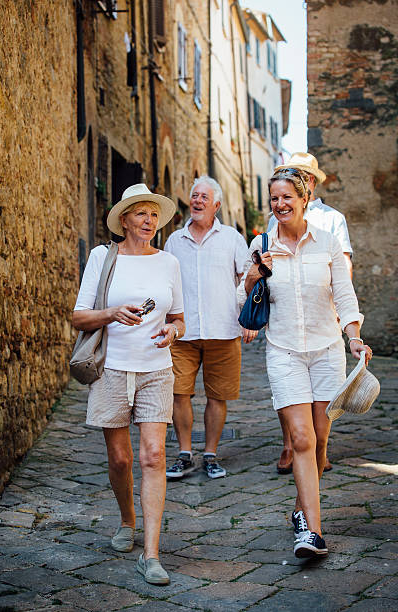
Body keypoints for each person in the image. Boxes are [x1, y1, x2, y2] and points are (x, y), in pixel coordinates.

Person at [238, 169, 372, 558]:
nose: (280, 205)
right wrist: (252, 276)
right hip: (283, 351)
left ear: (303, 198)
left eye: (286, 198)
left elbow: (344, 295)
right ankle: (312, 533)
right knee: (300, 439)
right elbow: (241, 300)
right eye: (274, 199)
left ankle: (300, 508)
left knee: (320, 440)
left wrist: (354, 338)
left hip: (327, 350)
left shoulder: (327, 242)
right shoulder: (261, 244)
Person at [72, 184, 185, 585]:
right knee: (120, 459)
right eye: (140, 214)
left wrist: (172, 332)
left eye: (153, 215)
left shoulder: (169, 263)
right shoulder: (103, 257)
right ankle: (126, 520)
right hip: (112, 368)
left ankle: (151, 555)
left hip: (156, 369)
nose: (149, 221)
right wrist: (112, 313)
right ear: (124, 220)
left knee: (153, 456)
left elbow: (179, 318)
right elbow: (79, 317)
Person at [268, 152, 353, 475]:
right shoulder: (275, 219)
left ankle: (319, 452)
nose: (281, 203)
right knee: (293, 405)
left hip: (323, 318)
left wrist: (345, 317)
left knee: (321, 420)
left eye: (301, 175)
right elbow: (262, 263)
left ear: (310, 185)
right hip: (286, 330)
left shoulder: (332, 221)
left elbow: (343, 267)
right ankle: (291, 443)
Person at [164, 175, 249, 480]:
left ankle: (211, 454)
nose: (197, 201)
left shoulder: (231, 238)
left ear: (217, 205)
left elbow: (248, 278)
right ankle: (185, 454)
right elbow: (164, 285)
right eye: (194, 196)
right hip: (183, 332)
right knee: (179, 394)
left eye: (204, 197)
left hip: (223, 330)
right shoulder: (174, 240)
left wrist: (248, 317)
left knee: (218, 395)